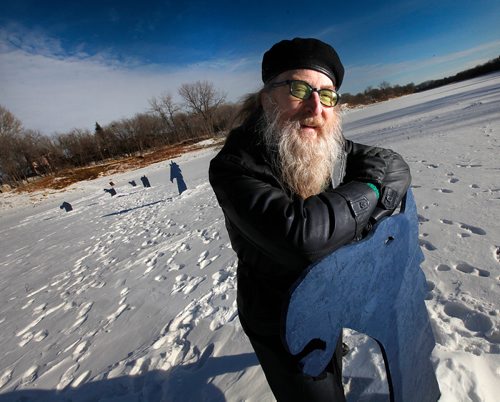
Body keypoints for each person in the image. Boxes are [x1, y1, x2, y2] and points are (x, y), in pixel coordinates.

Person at [209, 38, 411, 401]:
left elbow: (390, 164)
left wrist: (374, 199)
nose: (316, 107)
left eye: (328, 94)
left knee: (334, 357)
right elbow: (302, 237)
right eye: (299, 89)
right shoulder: (233, 166)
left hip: (329, 292)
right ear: (267, 97)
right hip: (278, 315)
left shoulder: (320, 137)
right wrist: (369, 191)